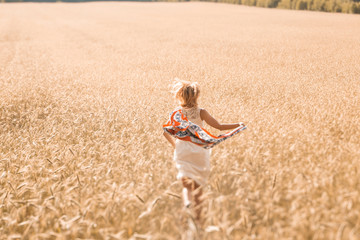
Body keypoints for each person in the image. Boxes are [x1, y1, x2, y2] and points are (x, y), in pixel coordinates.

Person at [163, 79, 242, 220]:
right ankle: (198, 221)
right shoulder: (201, 112)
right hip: (199, 149)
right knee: (198, 186)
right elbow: (220, 127)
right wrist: (239, 125)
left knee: (186, 183)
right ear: (196, 96)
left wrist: (176, 146)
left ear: (180, 95)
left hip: (182, 149)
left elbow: (166, 133)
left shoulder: (176, 113)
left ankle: (187, 203)